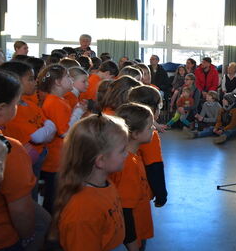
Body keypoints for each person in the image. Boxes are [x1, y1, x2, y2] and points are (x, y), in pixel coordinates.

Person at [0, 69, 50, 251]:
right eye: (16, 104)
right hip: (0, 240)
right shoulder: (9, 149)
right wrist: (28, 236)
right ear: (1, 109)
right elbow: (21, 211)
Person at [53, 114, 128, 251]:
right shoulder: (82, 211)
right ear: (100, 161)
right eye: (122, 150)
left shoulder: (105, 183)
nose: (127, 154)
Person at [0, 61, 56, 199]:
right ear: (14, 81)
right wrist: (48, 130)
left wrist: (48, 130)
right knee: (26, 195)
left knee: (33, 191)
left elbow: (48, 126)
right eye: (30, 79)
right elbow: (36, 136)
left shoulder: (30, 105)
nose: (35, 82)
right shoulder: (11, 112)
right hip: (24, 161)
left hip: (38, 157)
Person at [38, 64, 86, 213]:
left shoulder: (60, 100)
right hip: (55, 160)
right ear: (58, 82)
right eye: (67, 77)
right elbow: (65, 132)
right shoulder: (54, 102)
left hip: (60, 157)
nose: (71, 79)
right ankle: (51, 230)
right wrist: (77, 113)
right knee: (53, 199)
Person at [113, 103, 155, 251]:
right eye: (150, 127)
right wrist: (132, 245)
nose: (154, 129)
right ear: (136, 134)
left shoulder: (134, 156)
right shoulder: (128, 164)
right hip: (134, 234)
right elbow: (125, 210)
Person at [128, 85, 168, 208]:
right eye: (160, 106)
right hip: (139, 193)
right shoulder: (150, 134)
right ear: (152, 109)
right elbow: (154, 166)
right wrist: (161, 194)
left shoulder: (126, 124)